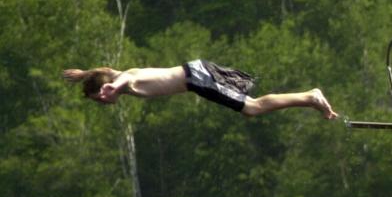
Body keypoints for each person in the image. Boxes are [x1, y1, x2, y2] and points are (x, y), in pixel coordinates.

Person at [63, 61, 337, 119]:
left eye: (98, 99)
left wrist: (114, 86)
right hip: (197, 72)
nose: (103, 102)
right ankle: (309, 98)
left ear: (104, 90)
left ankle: (310, 97)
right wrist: (85, 75)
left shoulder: (125, 81)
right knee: (250, 108)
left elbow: (120, 78)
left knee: (252, 108)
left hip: (197, 79)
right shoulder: (116, 75)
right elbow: (108, 71)